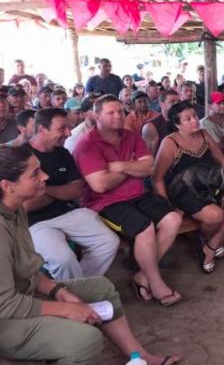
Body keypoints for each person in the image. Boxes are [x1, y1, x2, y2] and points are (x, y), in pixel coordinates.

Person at [0, 146, 181, 365]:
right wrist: (65, 309)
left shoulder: (15, 209)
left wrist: (58, 291)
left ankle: (139, 356)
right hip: (5, 320)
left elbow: (27, 269)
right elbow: (5, 304)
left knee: (101, 288)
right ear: (7, 186)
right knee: (85, 340)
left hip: (23, 296)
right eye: (35, 173)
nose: (45, 176)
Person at [73, 96, 183, 307]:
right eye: (110, 112)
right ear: (97, 116)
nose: (118, 116)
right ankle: (156, 283)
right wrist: (132, 167)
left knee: (173, 219)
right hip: (105, 203)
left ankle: (142, 275)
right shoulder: (86, 144)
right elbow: (100, 185)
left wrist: (118, 166)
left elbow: (149, 167)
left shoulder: (131, 136)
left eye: (120, 111)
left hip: (137, 194)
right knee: (144, 227)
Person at [24, 108, 119, 280]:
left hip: (67, 212)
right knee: (64, 260)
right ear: (41, 129)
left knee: (108, 242)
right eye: (62, 128)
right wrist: (62, 191)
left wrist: (44, 190)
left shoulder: (63, 153)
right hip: (34, 222)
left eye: (69, 127)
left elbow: (77, 190)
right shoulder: (21, 156)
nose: (68, 133)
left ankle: (79, 287)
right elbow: (27, 204)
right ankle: (78, 290)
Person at [153, 101, 224, 274]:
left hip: (210, 185)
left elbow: (222, 161)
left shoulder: (203, 134)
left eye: (194, 116)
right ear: (177, 124)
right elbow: (157, 178)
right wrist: (167, 207)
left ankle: (210, 246)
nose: (195, 120)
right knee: (214, 216)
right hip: (184, 190)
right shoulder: (170, 143)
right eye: (187, 119)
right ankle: (206, 240)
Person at [141, 90, 179, 155]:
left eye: (178, 102)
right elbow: (150, 156)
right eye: (172, 102)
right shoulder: (150, 127)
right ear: (161, 104)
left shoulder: (182, 121)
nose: (176, 105)